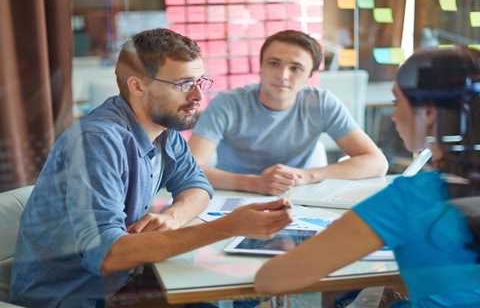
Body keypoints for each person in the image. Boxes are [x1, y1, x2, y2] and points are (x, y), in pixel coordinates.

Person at [9, 28, 292, 308]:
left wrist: (172, 216)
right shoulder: (97, 141)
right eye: (183, 84)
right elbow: (106, 256)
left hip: (123, 283)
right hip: (74, 297)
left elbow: (197, 185)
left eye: (200, 81)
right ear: (138, 86)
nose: (197, 95)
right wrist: (229, 226)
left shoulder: (164, 130)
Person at [254, 47, 480, 307]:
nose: (394, 116)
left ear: (428, 113)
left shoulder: (413, 196)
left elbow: (270, 281)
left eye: (397, 102)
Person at [189, 30, 388, 196]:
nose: (283, 75)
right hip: (233, 194)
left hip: (296, 195)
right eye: (274, 63)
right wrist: (255, 183)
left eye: (296, 68)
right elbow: (190, 169)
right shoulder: (227, 104)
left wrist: (306, 176)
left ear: (310, 75)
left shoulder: (321, 103)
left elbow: (377, 163)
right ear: (261, 66)